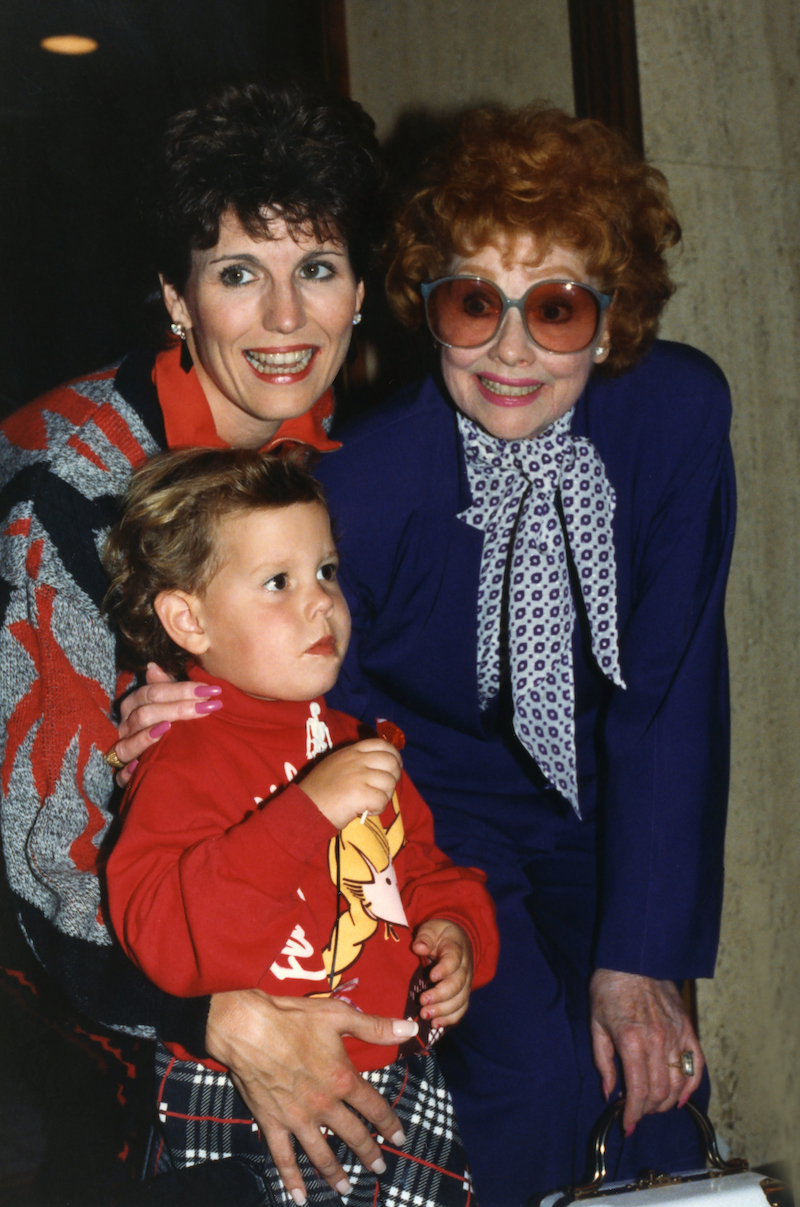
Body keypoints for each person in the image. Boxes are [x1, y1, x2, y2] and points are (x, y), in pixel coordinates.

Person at [0, 79, 419, 1204]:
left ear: (359, 293)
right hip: (84, 1019)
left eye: (316, 269)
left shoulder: (326, 469)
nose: (285, 319)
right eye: (240, 274)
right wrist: (215, 1018)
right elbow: (36, 856)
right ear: (177, 299)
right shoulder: (71, 491)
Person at [313, 106, 736, 1204]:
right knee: (539, 1074)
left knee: (648, 1080)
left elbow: (671, 697)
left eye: (552, 308)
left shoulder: (675, 418)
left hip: (604, 797)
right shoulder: (355, 484)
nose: (508, 350)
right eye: (472, 302)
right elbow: (338, 724)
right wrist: (425, 896)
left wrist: (639, 954)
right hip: (432, 811)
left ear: (608, 320)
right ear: (427, 306)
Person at [101, 447, 498, 1205]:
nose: (320, 602)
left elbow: (421, 867)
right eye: (277, 582)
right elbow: (166, 932)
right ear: (188, 619)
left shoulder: (357, 742)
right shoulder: (184, 753)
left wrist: (455, 929)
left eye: (326, 571)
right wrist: (309, 811)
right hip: (243, 1097)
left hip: (390, 1075)